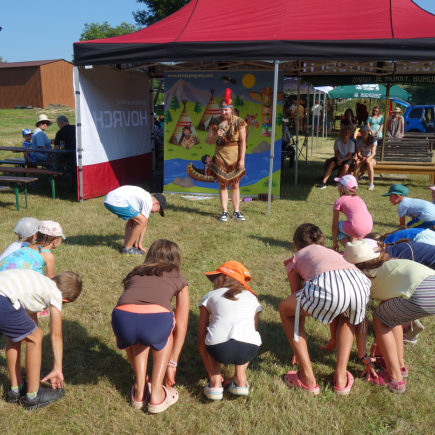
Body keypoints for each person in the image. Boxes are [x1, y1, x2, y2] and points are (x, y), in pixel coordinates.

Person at [279, 224, 371, 395]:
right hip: (359, 283)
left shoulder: (295, 258)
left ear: (296, 244)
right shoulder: (333, 253)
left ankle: (307, 378)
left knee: (285, 309)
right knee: (347, 316)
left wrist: (298, 347)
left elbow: (297, 304)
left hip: (328, 284)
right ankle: (341, 378)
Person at [344, 239, 435, 393]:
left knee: (380, 318)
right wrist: (379, 341)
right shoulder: (387, 264)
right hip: (430, 282)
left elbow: (360, 316)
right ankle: (399, 365)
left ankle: (395, 379)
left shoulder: (362, 277)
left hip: (421, 294)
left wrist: (364, 352)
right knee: (389, 316)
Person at [111, 239, 189, 413]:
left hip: (122, 320)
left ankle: (140, 389)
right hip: (156, 322)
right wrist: (172, 364)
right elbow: (182, 324)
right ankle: (156, 394)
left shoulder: (135, 273)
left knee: (140, 329)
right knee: (166, 329)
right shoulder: (179, 278)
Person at [0, 269, 82, 410]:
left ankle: (16, 388)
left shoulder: (38, 281)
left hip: (4, 294)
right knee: (37, 337)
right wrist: (57, 368)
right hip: (3, 300)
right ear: (64, 300)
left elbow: (29, 326)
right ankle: (33, 396)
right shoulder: (54, 292)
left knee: (17, 336)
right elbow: (56, 335)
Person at [198, 261, 262, 400]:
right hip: (249, 349)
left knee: (214, 332)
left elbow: (201, 337)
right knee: (245, 333)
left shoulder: (210, 295)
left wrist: (210, 372)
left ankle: (215, 382)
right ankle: (240, 379)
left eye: (216, 277)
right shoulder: (253, 299)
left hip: (217, 348)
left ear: (225, 277)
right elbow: (253, 330)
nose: (214, 281)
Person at [207, 92, 247, 222]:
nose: (224, 112)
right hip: (220, 157)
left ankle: (236, 211)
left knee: (235, 185)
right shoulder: (214, 122)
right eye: (222, 110)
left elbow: (243, 142)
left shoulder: (239, 122)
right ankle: (224, 211)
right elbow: (209, 141)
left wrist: (242, 160)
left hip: (234, 158)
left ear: (232, 109)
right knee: (223, 185)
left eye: (226, 110)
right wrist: (216, 135)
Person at [104, 186, 167, 255]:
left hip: (109, 199)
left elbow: (134, 222)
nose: (153, 212)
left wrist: (135, 243)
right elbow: (144, 223)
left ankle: (126, 246)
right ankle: (128, 249)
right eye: (157, 210)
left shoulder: (142, 197)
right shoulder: (148, 201)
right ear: (156, 203)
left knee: (132, 220)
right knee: (142, 220)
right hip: (116, 201)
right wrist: (139, 244)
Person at [0, 221, 65, 279]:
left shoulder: (27, 245)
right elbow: (49, 279)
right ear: (55, 241)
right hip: (14, 281)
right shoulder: (49, 256)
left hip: (3, 274)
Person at [331, 175, 373, 250]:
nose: (338, 185)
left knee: (338, 226)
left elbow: (334, 226)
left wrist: (335, 242)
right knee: (349, 225)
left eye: (339, 183)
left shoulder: (339, 201)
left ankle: (350, 250)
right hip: (369, 228)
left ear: (343, 187)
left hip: (356, 228)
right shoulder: (359, 198)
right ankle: (353, 246)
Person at [353, 125, 377, 191]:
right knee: (357, 162)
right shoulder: (359, 140)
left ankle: (371, 184)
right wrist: (362, 158)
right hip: (362, 157)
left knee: (369, 163)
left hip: (371, 157)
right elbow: (358, 153)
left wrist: (367, 159)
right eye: (362, 132)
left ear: (368, 131)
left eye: (364, 132)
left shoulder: (373, 140)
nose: (363, 134)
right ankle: (355, 183)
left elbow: (372, 153)